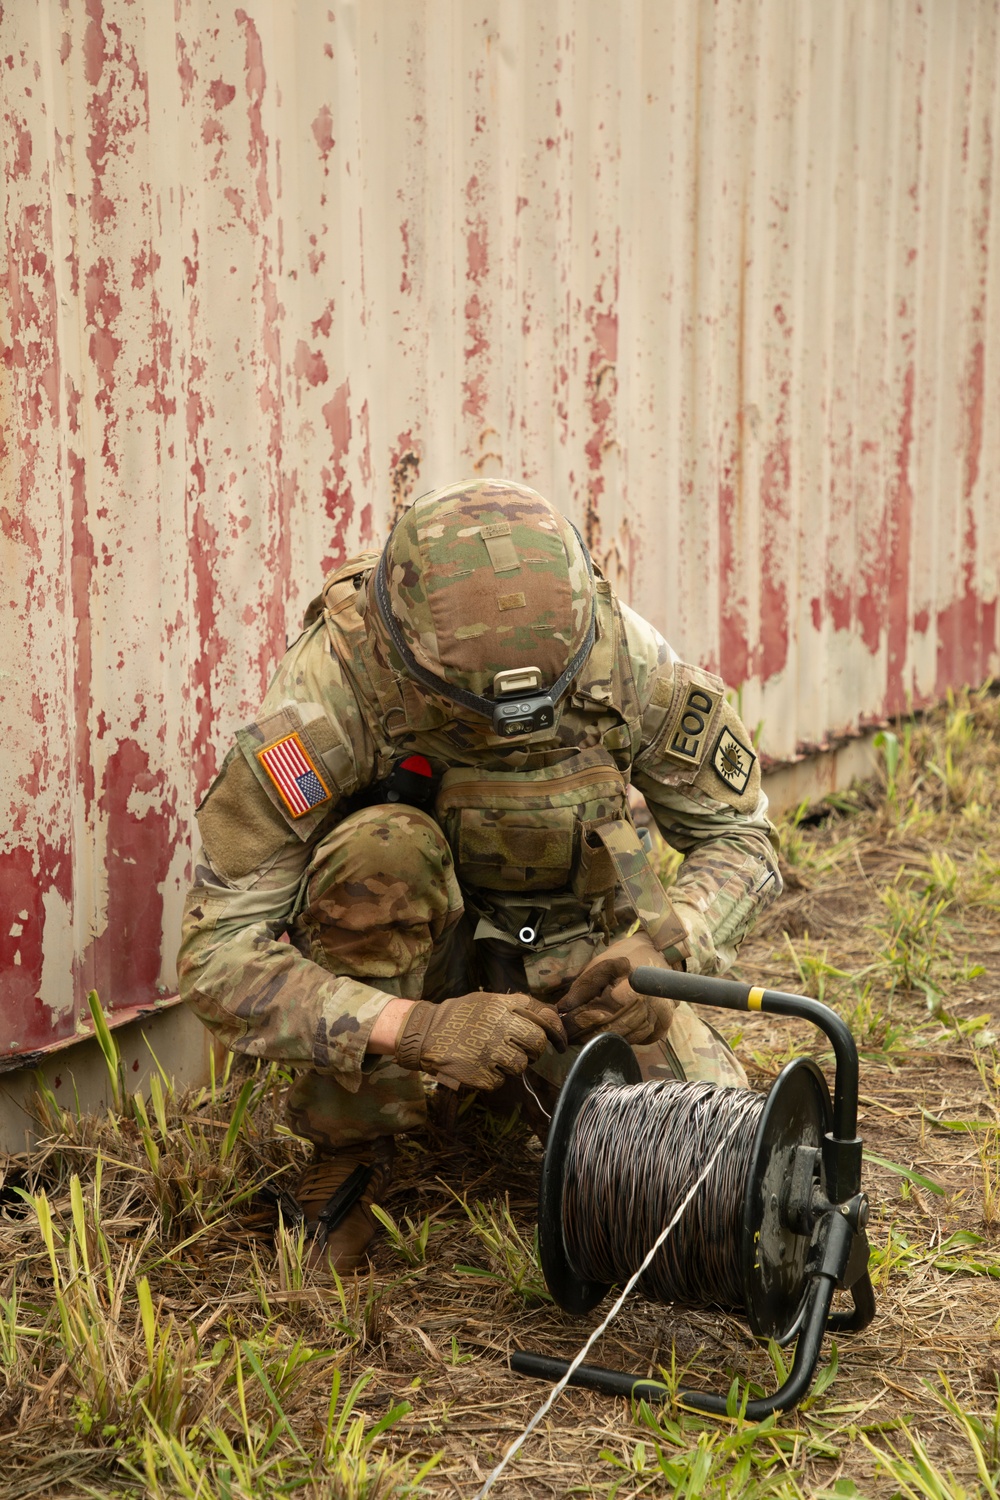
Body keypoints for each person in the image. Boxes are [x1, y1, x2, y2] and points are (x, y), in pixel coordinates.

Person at [178, 479, 781, 1270]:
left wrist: (666, 951)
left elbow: (742, 839)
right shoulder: (337, 688)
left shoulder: (625, 661)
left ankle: (523, 1085)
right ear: (403, 656)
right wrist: (414, 1029)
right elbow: (217, 949)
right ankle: (354, 1141)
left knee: (716, 1197)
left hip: (579, 965)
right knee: (381, 850)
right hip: (418, 967)